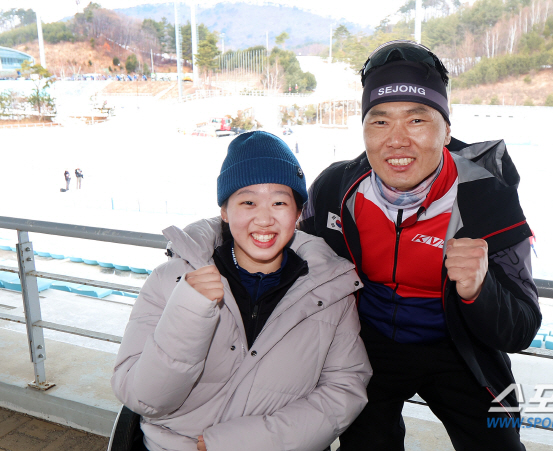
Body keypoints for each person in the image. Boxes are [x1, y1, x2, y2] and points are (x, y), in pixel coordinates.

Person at [298, 40, 540, 450]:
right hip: (368, 344)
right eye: (379, 122)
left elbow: (520, 329)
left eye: (416, 120)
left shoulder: (487, 197)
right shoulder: (335, 190)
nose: (396, 140)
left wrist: (480, 290)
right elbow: (292, 265)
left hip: (459, 348)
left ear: (446, 129)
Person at [112, 131, 371, 451]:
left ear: (297, 213)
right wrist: (188, 312)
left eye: (279, 202)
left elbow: (344, 391)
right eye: (248, 202)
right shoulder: (172, 280)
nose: (264, 218)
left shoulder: (330, 290)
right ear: (225, 211)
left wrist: (236, 443)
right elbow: (145, 399)